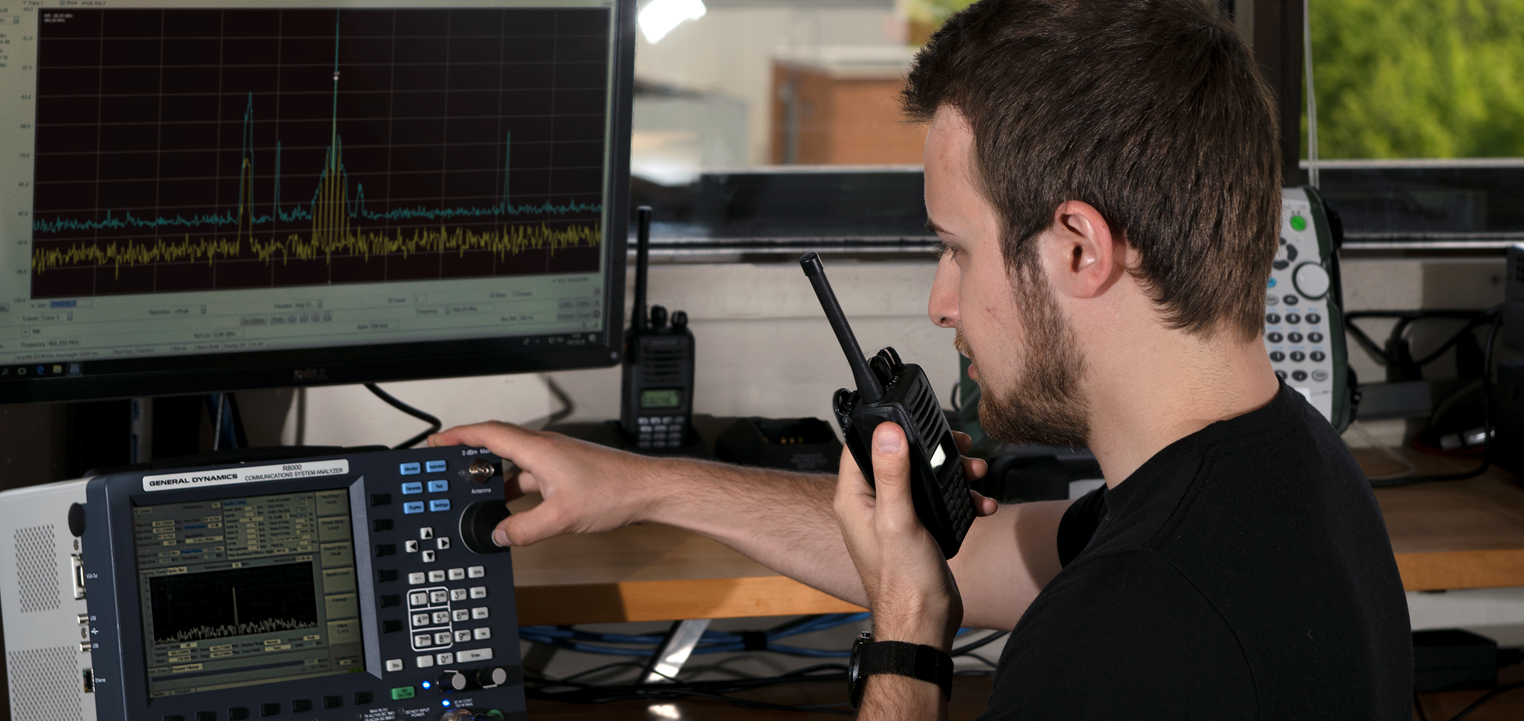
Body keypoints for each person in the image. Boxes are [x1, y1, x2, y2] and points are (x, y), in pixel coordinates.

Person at [431, 0, 1413, 717]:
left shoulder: (1133, 636)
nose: (941, 303)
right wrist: (642, 486)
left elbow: (950, 597)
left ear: (1079, 247)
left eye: (955, 248)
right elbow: (971, 555)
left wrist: (905, 645)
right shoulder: (1282, 467)